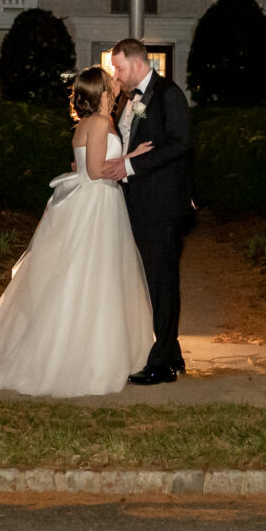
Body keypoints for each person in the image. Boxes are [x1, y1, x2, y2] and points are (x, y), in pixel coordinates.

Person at [0, 65, 154, 397]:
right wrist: (132, 159)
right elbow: (93, 171)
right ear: (101, 93)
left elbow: (82, 167)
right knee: (90, 278)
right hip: (96, 205)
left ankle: (93, 351)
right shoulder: (95, 123)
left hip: (100, 204)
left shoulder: (93, 123)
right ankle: (81, 359)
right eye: (110, 84)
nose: (115, 85)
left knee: (97, 278)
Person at [109, 38, 192, 384]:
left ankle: (161, 363)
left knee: (161, 282)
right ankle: (171, 354)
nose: (116, 74)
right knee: (150, 281)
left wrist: (131, 168)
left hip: (160, 205)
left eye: (120, 67)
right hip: (136, 204)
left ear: (139, 64)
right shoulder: (129, 101)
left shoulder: (168, 94)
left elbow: (180, 143)